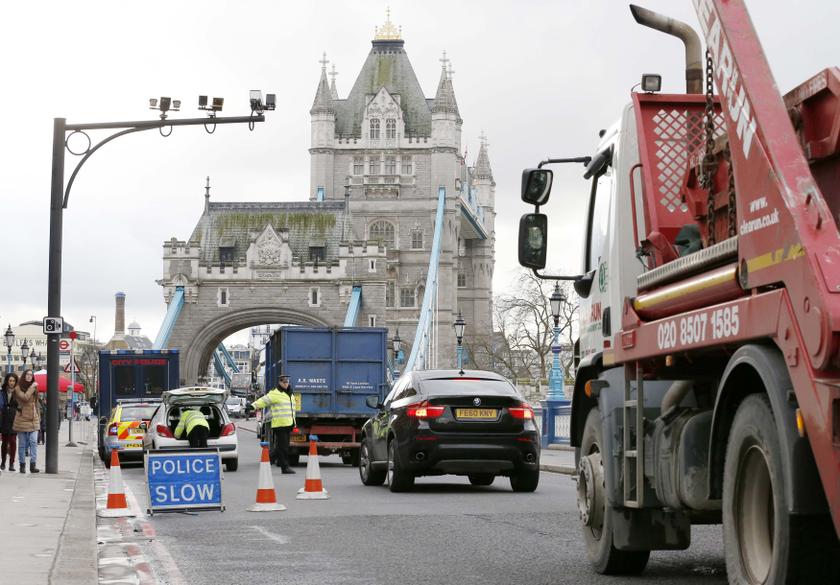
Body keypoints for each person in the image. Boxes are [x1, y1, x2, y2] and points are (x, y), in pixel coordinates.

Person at [252, 375, 296, 473]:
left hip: (288, 424)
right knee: (283, 447)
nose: (286, 383)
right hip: (279, 424)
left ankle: (268, 459)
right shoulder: (275, 393)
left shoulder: (290, 394)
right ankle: (284, 467)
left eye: (287, 381)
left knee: (282, 447)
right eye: (284, 382)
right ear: (280, 382)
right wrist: (252, 406)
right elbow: (263, 401)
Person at [13, 369, 40, 474]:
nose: (29, 376)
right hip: (21, 419)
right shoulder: (18, 388)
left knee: (33, 442)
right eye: (27, 374)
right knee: (22, 444)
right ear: (24, 375)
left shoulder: (34, 388)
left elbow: (36, 403)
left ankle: (33, 465)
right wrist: (32, 387)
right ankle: (22, 465)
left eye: (31, 375)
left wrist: (38, 417)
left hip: (33, 419)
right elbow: (24, 398)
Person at [1, 373, 19, 472]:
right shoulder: (2, 392)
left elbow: (20, 406)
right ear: (7, 381)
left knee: (13, 442)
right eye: (10, 381)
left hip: (14, 420)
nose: (11, 383)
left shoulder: (17, 392)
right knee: (4, 442)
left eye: (13, 381)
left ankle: (11, 463)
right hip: (4, 420)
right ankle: (3, 462)